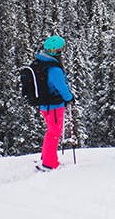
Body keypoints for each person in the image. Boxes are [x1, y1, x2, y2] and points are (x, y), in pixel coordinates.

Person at [34, 34, 74, 171]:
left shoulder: (41, 62)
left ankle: (46, 157)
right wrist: (69, 98)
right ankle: (49, 163)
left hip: (45, 104)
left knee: (51, 131)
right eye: (60, 49)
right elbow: (61, 87)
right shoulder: (54, 69)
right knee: (54, 132)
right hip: (54, 105)